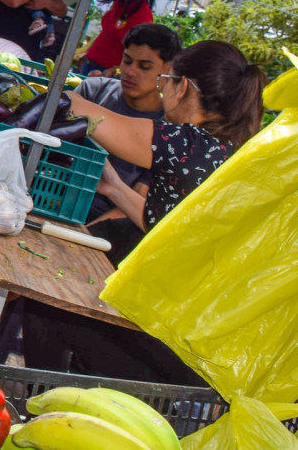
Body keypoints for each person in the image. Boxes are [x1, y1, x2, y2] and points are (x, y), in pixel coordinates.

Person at [22, 40, 266, 385]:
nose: (162, 90)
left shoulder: (187, 145)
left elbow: (80, 110)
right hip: (202, 339)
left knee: (46, 305)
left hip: (174, 350)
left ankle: (43, 406)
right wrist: (115, 188)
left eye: (166, 79)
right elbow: (168, 224)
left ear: (183, 88)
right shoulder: (234, 151)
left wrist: (50, 89)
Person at [75, 23, 182, 262]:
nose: (131, 71)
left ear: (168, 71)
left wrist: (77, 238)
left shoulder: (168, 135)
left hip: (100, 234)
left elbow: (131, 205)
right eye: (127, 61)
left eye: (144, 66)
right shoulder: (92, 92)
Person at [79, 0, 155, 76]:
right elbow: (107, 33)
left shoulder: (143, 15)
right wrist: (88, 53)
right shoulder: (120, 2)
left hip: (110, 73)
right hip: (91, 63)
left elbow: (140, 52)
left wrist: (117, 70)